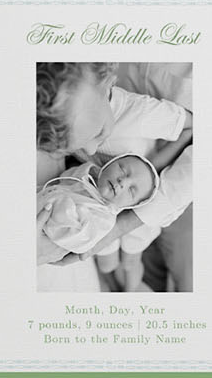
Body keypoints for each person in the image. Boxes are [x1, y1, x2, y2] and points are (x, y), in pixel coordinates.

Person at [36, 63, 192, 278]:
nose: (90, 150)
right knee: (108, 265)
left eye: (99, 132)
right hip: (102, 205)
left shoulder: (140, 114)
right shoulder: (66, 117)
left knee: (133, 258)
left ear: (108, 82)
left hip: (149, 201)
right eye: (74, 146)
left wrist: (155, 167)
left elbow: (191, 129)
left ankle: (132, 285)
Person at [36, 153, 159, 259]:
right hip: (37, 198)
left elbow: (79, 241)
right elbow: (64, 179)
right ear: (110, 163)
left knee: (109, 265)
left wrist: (60, 202)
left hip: (42, 231)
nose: (123, 181)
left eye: (131, 190)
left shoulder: (103, 219)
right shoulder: (85, 176)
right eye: (122, 169)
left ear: (129, 205)